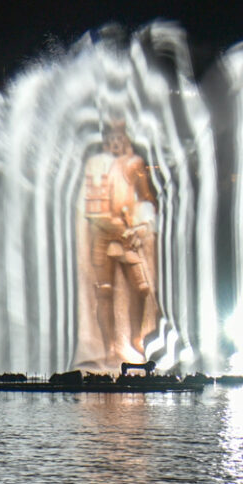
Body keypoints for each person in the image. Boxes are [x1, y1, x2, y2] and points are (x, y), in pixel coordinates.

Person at [83, 121, 159, 364]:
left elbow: (146, 197)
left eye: (120, 137)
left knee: (141, 287)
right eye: (111, 138)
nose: (116, 142)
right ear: (105, 141)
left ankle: (136, 338)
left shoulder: (134, 163)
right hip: (102, 232)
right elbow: (91, 207)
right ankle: (110, 348)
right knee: (104, 291)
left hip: (127, 232)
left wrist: (143, 224)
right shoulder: (95, 164)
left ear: (126, 138)